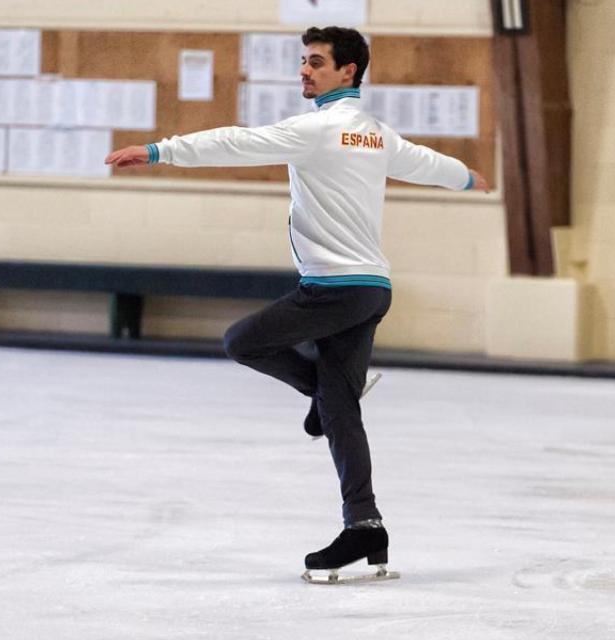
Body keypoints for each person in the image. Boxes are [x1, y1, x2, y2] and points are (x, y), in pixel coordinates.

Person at [106, 26, 489, 577]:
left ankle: (321, 394)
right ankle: (365, 525)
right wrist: (469, 179)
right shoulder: (376, 135)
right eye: (303, 61)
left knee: (242, 341)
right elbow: (428, 164)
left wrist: (159, 150)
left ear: (347, 72)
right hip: (371, 289)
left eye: (315, 62)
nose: (303, 71)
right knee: (342, 410)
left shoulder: (315, 130)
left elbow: (236, 142)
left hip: (332, 289)